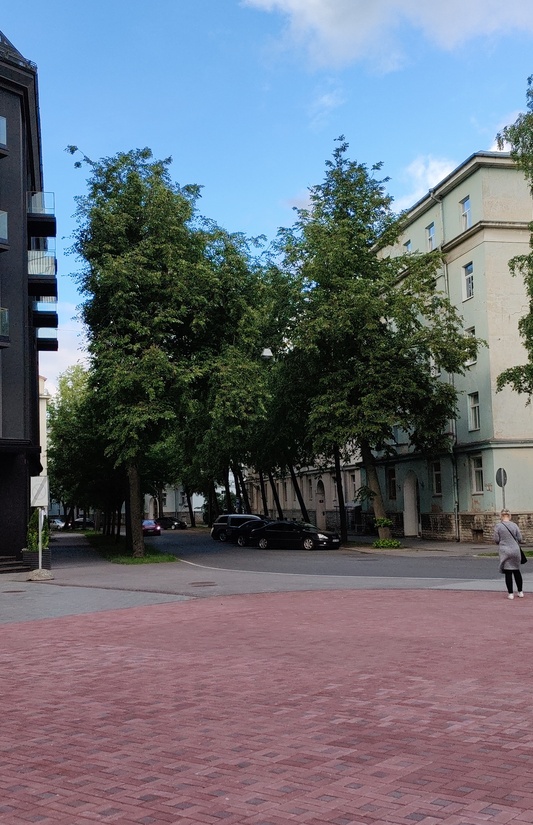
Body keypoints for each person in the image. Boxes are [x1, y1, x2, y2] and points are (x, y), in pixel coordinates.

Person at [493, 509, 524, 599]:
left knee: (508, 572)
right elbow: (520, 538)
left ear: (501, 516)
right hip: (515, 550)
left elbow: (496, 539)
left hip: (505, 550)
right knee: (516, 570)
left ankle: (510, 593)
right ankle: (520, 591)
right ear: (509, 516)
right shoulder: (514, 525)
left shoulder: (498, 526)